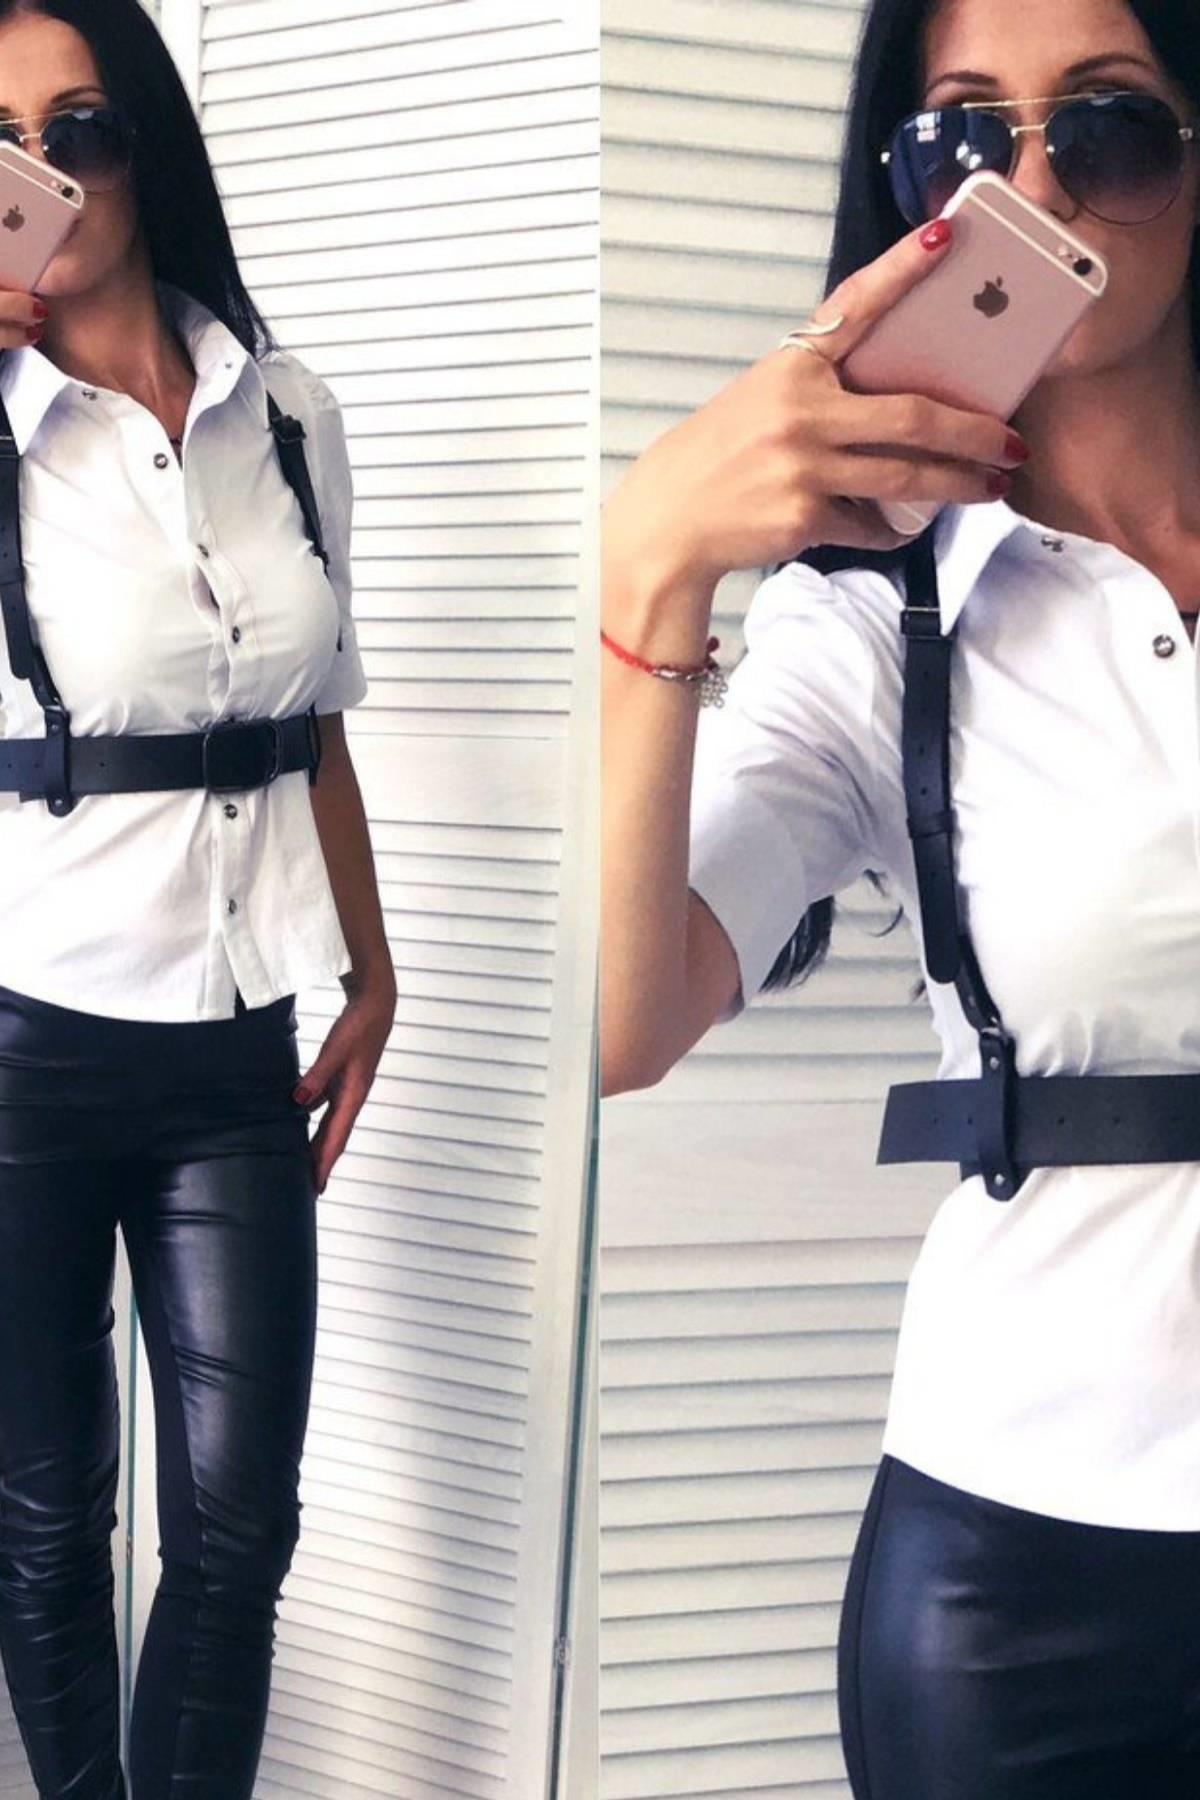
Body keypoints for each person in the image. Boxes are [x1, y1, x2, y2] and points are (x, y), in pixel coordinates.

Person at [601, 0, 1200, 1791]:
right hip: (1033, 1573)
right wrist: (652, 564)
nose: (1034, 187)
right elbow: (619, 1023)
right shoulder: (874, 626)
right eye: (963, 137)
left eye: (1108, 126)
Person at [0, 3, 396, 1797]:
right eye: (5, 145)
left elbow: (312, 722)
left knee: (239, 1531)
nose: (50, 173)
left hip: (240, 1038)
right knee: (44, 1520)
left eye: (81, 126)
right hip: (25, 1041)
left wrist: (370, 969)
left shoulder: (288, 411)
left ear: (145, 140)